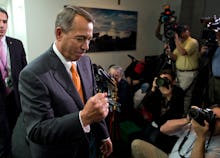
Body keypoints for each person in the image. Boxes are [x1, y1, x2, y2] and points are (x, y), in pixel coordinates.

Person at [12, 5, 112, 158]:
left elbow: (92, 103)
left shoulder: (85, 62)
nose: (86, 47)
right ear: (59, 33)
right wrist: (83, 118)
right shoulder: (32, 74)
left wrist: (104, 135)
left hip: (89, 146)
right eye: (80, 38)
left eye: (89, 39)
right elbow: (37, 130)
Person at [131, 104, 220, 158]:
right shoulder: (194, 126)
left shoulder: (218, 147)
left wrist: (201, 137)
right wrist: (188, 119)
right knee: (136, 144)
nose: (213, 120)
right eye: (211, 115)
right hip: (170, 156)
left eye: (218, 119)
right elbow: (164, 129)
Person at [130, 69, 185, 153]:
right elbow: (145, 105)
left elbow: (175, 115)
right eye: (162, 79)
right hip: (155, 121)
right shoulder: (157, 90)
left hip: (168, 125)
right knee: (143, 137)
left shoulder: (178, 92)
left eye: (167, 80)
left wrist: (169, 97)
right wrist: (152, 88)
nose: (163, 82)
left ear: (173, 82)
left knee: (153, 140)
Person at [0, 7, 27, 158]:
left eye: (4, 21)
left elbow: (25, 72)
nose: (1, 25)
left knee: (17, 139)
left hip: (16, 100)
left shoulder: (16, 44)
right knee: (3, 142)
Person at [166, 25, 199, 114]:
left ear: (187, 31)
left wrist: (176, 39)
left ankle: (182, 114)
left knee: (180, 94)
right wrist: (169, 52)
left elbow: (183, 52)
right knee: (181, 94)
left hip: (188, 73)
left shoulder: (192, 42)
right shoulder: (181, 43)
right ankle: (179, 112)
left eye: (183, 32)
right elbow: (175, 57)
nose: (182, 34)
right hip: (179, 73)